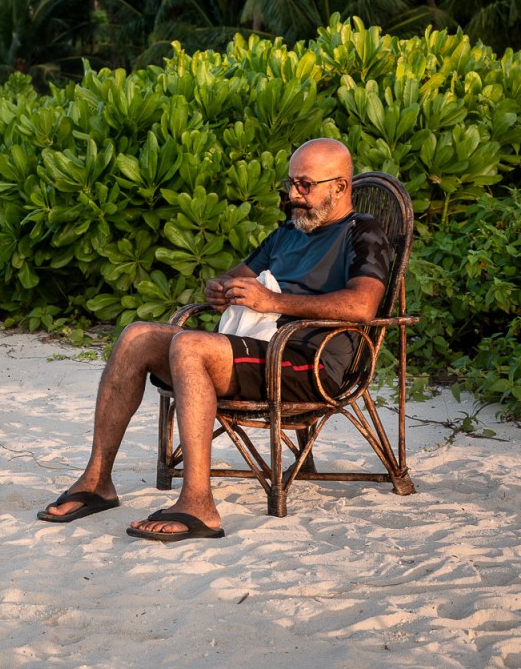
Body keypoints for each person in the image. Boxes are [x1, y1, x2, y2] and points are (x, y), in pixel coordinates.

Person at [37, 137, 392, 542]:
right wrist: (221, 289)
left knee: (190, 345)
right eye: (290, 184)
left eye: (304, 185)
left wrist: (272, 299)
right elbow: (235, 276)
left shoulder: (362, 231)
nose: (293, 195)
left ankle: (199, 504)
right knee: (136, 336)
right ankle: (97, 480)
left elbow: (363, 306)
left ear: (340, 187)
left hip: (308, 360)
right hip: (253, 345)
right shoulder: (286, 234)